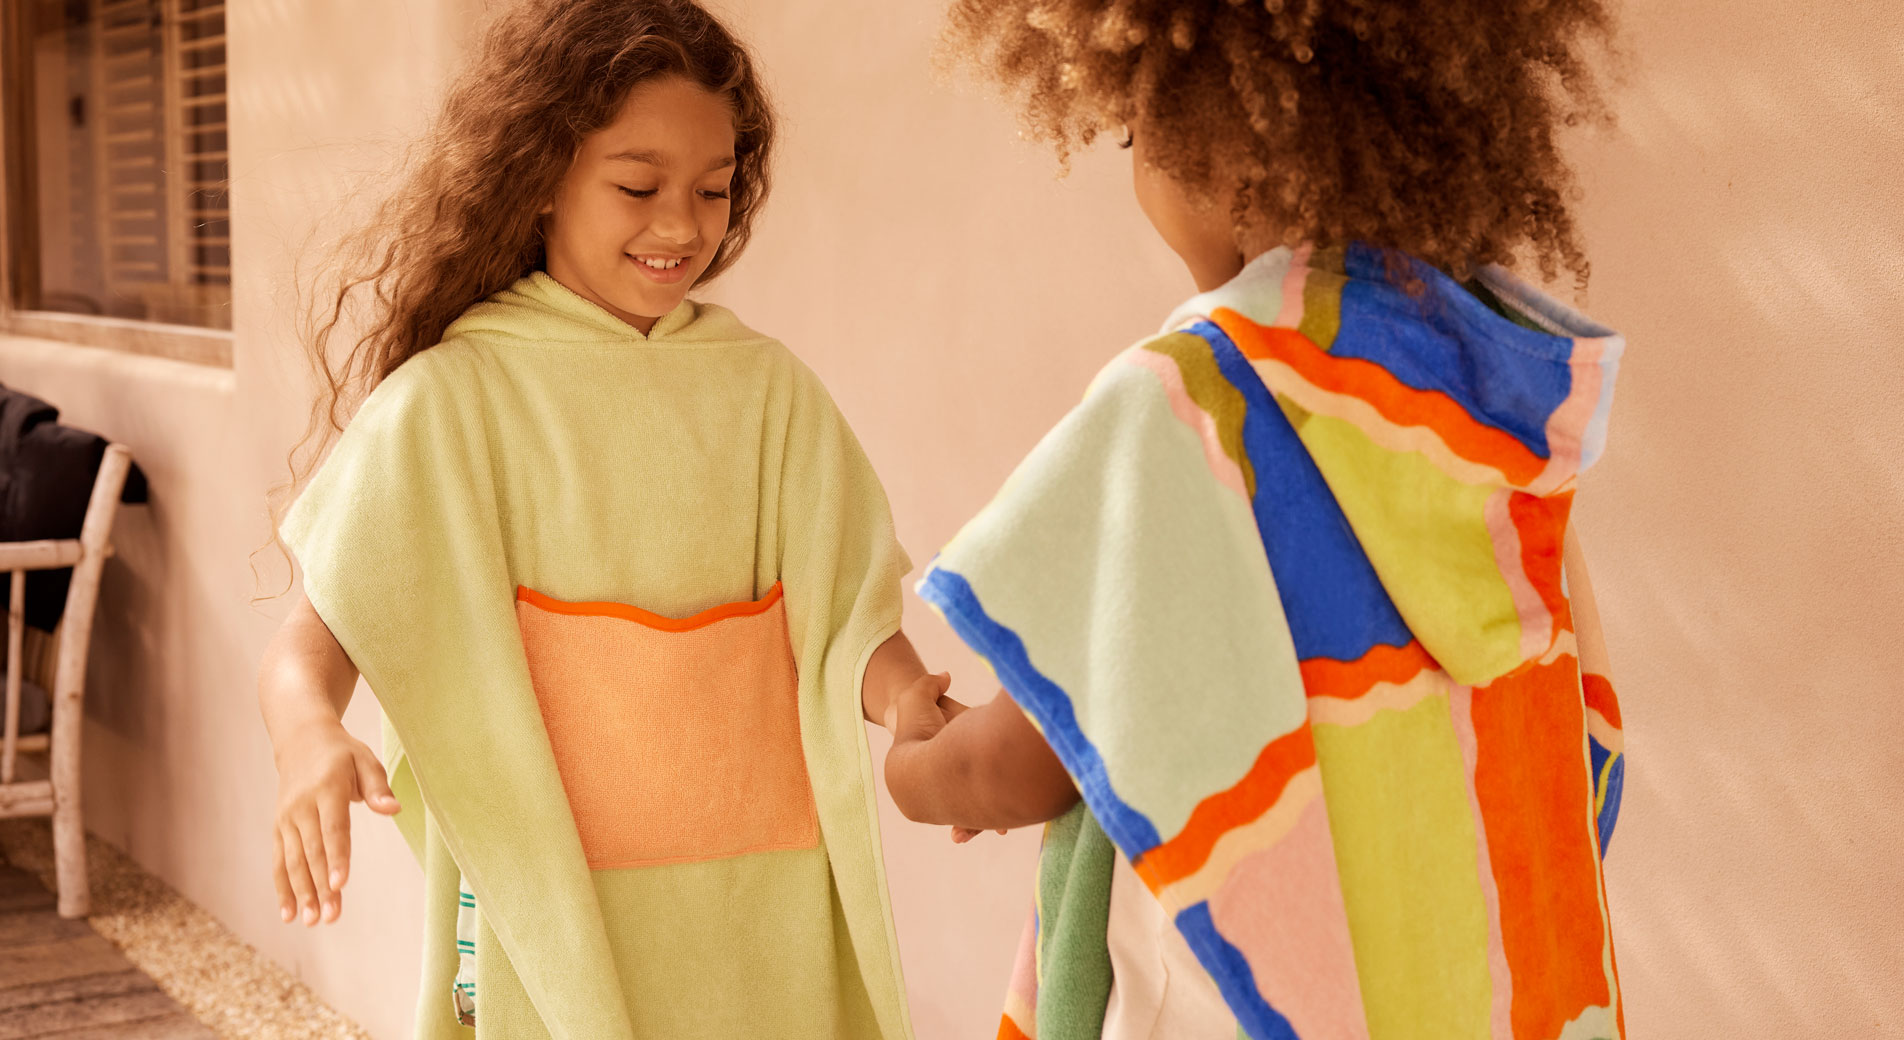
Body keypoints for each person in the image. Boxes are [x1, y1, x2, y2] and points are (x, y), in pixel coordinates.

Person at [883, 1, 1629, 1037]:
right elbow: (1569, 720)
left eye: (1136, 136)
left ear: (1223, 131)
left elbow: (1014, 764)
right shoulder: (1489, 392)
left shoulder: (1194, 400)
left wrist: (917, 768)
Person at [256, 2, 935, 1036]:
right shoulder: (456, 400)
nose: (680, 224)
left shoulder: (766, 392)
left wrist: (904, 702)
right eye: (637, 186)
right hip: (542, 910)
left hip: (757, 912)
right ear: (540, 179)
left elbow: (844, 620)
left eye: (712, 190)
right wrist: (307, 733)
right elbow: (313, 641)